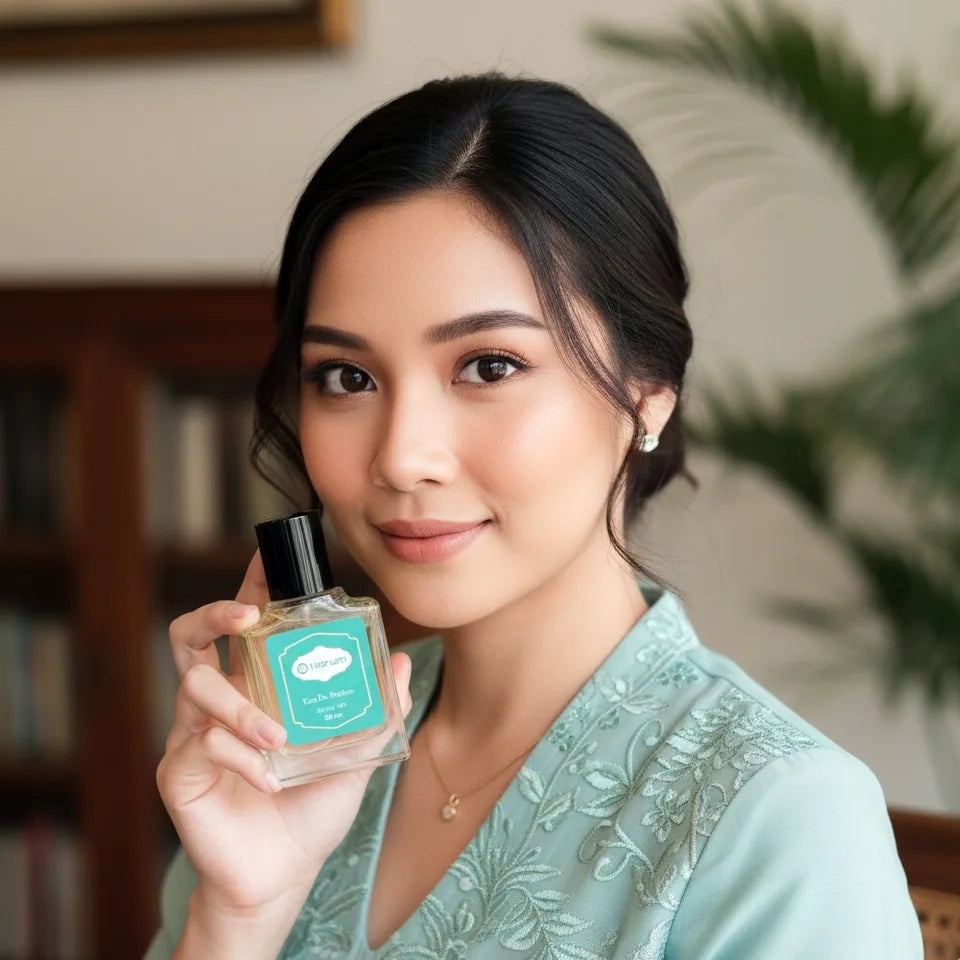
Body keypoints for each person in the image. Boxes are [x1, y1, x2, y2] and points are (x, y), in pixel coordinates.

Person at [144, 70, 923, 959]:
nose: (402, 456)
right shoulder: (286, 748)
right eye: (347, 378)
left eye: (489, 367)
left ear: (648, 393)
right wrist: (238, 914)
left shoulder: (778, 814)